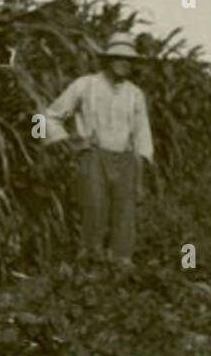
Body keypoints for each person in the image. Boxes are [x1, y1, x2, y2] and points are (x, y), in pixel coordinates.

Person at [44, 31, 154, 263]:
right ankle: (90, 267)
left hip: (126, 159)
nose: (124, 63)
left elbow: (143, 137)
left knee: (125, 216)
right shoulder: (85, 85)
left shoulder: (135, 93)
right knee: (94, 210)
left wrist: (140, 176)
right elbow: (48, 117)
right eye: (118, 57)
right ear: (107, 59)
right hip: (93, 157)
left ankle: (120, 269)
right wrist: (71, 142)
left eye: (129, 59)